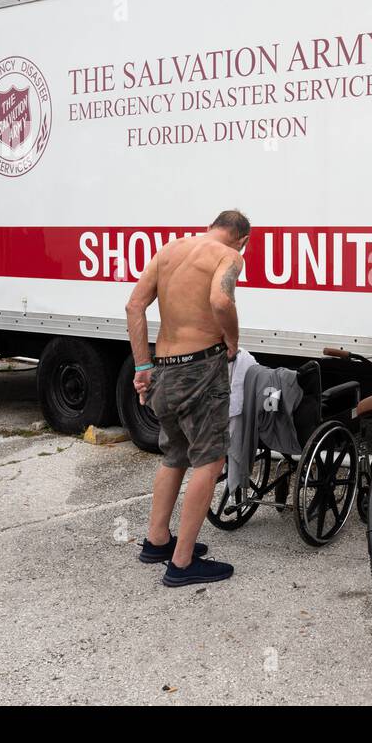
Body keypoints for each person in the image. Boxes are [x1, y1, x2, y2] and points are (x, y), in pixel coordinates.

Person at [125, 210, 250, 585]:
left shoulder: (168, 251)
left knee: (175, 453)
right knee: (209, 461)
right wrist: (232, 339)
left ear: (213, 227)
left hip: (164, 367)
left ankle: (157, 540)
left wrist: (142, 366)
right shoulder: (228, 256)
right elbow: (221, 302)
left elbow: (134, 306)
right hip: (201, 368)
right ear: (242, 239)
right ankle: (181, 564)